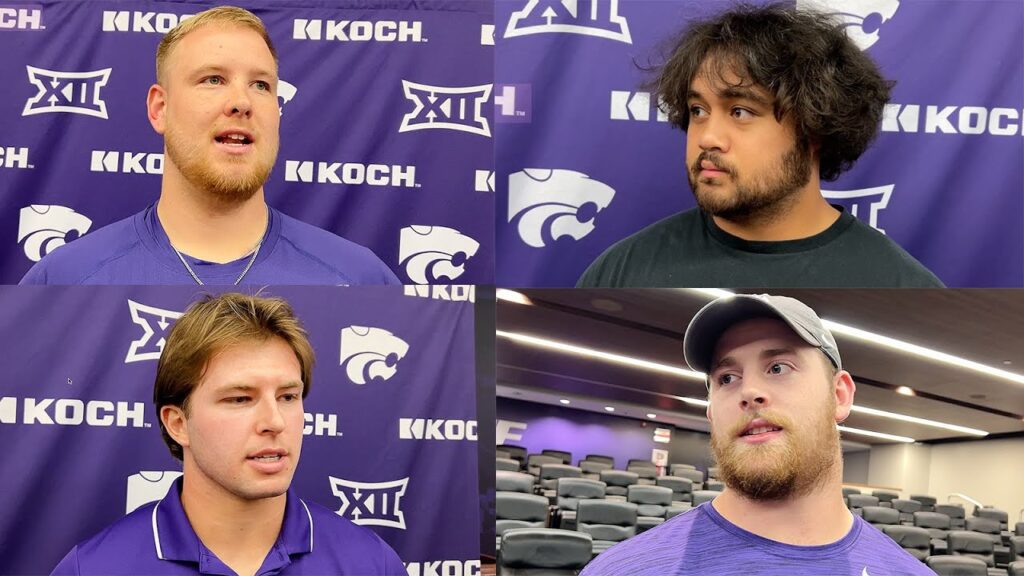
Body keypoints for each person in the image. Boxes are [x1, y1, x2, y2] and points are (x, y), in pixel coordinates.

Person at [21, 6, 399, 286]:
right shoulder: (64, 280)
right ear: (160, 108)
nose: (242, 102)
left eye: (262, 85)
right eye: (213, 79)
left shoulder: (361, 280)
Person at [577, 3, 942, 288]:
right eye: (698, 110)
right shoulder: (621, 269)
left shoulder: (899, 281)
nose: (707, 137)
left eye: (740, 111)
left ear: (815, 128)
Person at [51, 293, 406, 575]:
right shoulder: (95, 568)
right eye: (240, 398)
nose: (275, 421)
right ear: (178, 423)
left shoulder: (372, 563)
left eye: (288, 396)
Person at [581, 293, 934, 575]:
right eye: (727, 379)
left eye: (778, 367)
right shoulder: (625, 570)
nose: (749, 391)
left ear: (839, 396)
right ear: (710, 411)